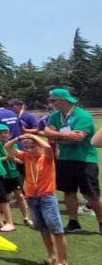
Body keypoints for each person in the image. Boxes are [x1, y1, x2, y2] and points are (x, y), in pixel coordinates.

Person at [6, 133, 69, 265]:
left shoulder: (47, 157)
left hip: (46, 197)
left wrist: (31, 136)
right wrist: (19, 139)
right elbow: (7, 147)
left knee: (57, 230)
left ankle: (63, 261)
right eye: (26, 147)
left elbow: (46, 145)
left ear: (39, 146)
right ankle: (52, 256)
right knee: (42, 229)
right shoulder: (26, 156)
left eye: (32, 146)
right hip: (32, 198)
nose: (29, 150)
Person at [40, 88, 100, 233]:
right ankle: (73, 222)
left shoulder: (82, 115)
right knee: (68, 192)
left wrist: (57, 136)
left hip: (85, 160)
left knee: (91, 194)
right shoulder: (55, 116)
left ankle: (101, 221)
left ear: (63, 100)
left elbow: (79, 138)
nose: (51, 103)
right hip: (65, 159)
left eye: (53, 100)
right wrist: (64, 136)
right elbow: (46, 131)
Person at [0, 123, 32, 227]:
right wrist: (6, 158)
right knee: (4, 198)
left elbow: (18, 158)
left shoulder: (13, 144)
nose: (3, 135)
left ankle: (26, 218)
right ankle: (0, 219)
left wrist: (17, 160)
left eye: (5, 132)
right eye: (0, 133)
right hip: (2, 175)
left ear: (9, 134)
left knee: (20, 196)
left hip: (14, 174)